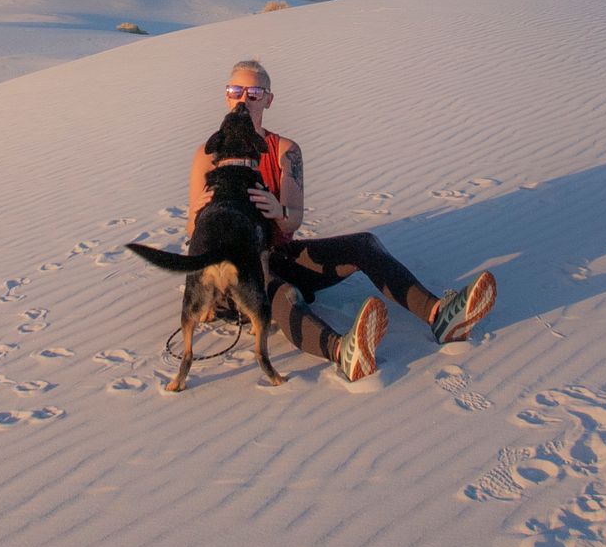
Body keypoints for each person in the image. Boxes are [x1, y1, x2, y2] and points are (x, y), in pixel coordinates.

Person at [186, 59, 497, 383]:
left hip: (279, 253)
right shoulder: (208, 154)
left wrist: (278, 211)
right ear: (226, 96)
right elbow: (194, 233)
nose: (243, 99)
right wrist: (200, 214)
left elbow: (293, 222)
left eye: (254, 92)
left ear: (268, 99)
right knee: (279, 291)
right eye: (236, 90)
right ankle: (342, 352)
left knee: (363, 244)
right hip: (234, 270)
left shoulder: (285, 151)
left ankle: (439, 316)